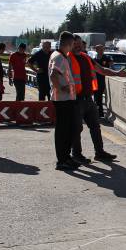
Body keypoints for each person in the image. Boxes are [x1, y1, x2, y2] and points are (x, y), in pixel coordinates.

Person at [70, 36, 125, 163]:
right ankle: (76, 155)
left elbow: (101, 69)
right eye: (75, 44)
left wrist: (116, 73)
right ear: (70, 45)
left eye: (80, 44)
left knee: (95, 126)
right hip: (75, 100)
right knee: (77, 129)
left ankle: (99, 153)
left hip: (89, 98)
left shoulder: (86, 57)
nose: (78, 46)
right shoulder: (67, 59)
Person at [49, 32, 78, 170]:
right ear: (68, 44)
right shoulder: (59, 57)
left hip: (67, 99)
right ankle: (61, 160)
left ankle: (66, 157)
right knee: (63, 131)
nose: (73, 47)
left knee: (70, 129)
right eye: (72, 44)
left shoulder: (61, 56)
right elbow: (53, 74)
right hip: (62, 100)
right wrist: (61, 88)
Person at [93, 43, 111, 118]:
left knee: (100, 97)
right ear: (96, 50)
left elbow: (111, 66)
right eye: (99, 49)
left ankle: (100, 113)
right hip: (96, 80)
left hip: (104, 80)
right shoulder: (94, 59)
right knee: (96, 97)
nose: (101, 50)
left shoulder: (106, 58)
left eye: (102, 49)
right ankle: (98, 113)